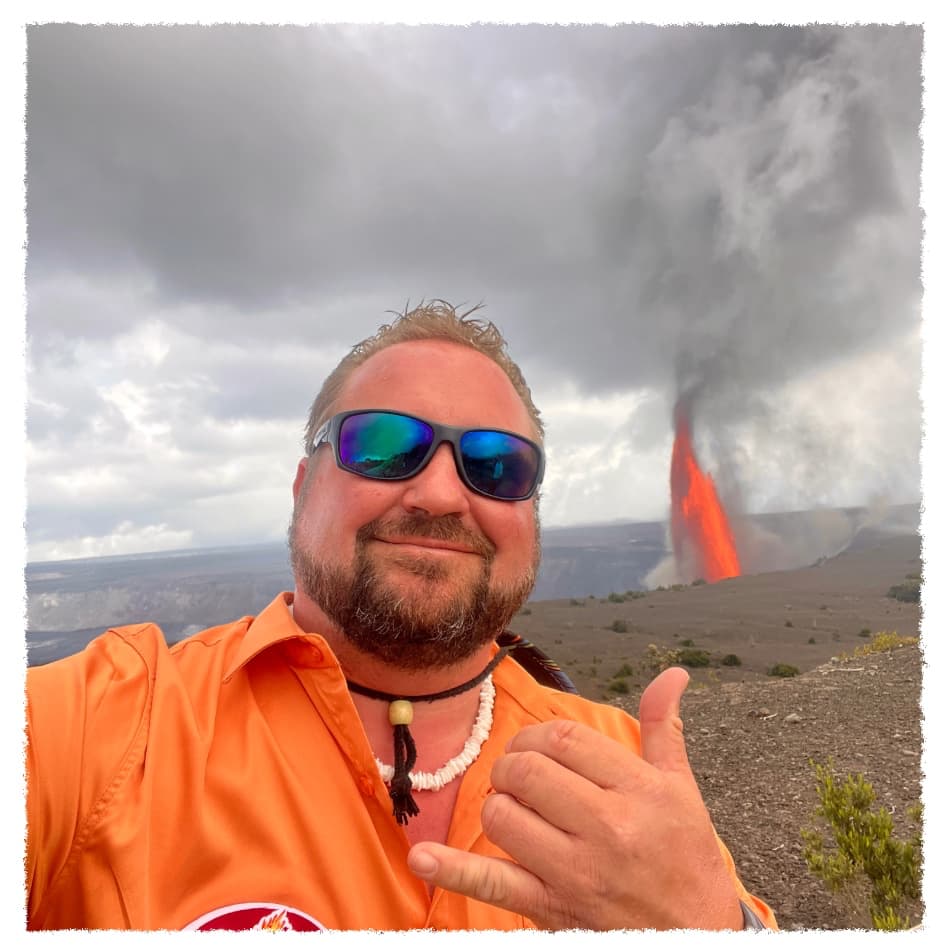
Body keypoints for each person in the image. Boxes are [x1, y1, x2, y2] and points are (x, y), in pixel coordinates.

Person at [26, 301, 776, 932]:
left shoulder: (626, 773)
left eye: (497, 465)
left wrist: (714, 924)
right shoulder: (112, 723)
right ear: (301, 486)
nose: (444, 495)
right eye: (385, 445)